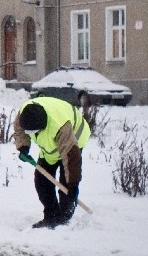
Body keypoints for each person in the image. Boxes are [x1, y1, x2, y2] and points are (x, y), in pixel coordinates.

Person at [14, 97, 91, 229]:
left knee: (65, 184)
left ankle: (63, 220)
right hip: (50, 146)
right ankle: (50, 216)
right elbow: (20, 131)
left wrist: (73, 184)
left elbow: (71, 157)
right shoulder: (24, 114)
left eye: (34, 131)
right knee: (41, 179)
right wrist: (23, 147)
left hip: (74, 139)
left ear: (42, 127)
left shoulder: (60, 126)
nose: (31, 134)